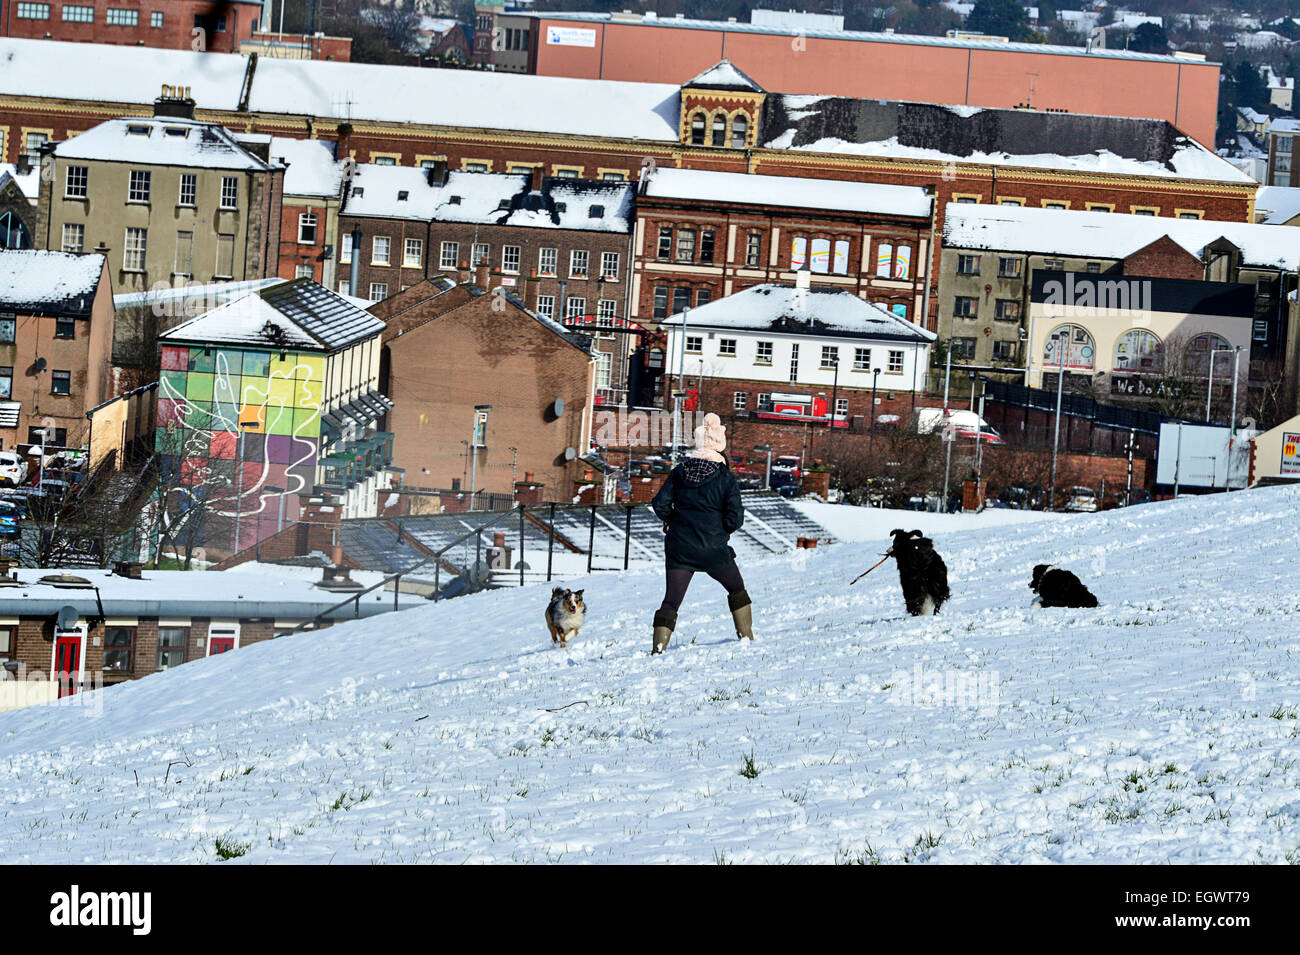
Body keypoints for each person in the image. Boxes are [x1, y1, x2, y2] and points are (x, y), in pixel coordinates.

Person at [649, 412, 753, 655]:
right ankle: (746, 638)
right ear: (719, 447)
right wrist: (719, 530)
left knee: (671, 601)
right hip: (714, 550)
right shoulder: (726, 478)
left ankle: (658, 649)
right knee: (736, 589)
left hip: (680, 549)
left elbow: (659, 504)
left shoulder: (679, 472)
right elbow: (735, 519)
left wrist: (673, 520)